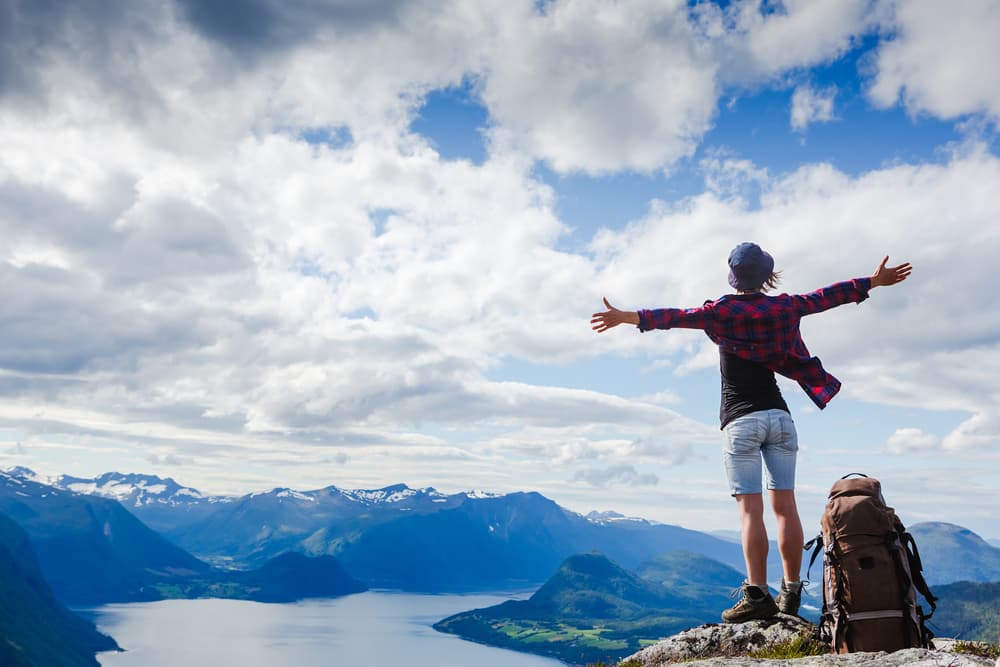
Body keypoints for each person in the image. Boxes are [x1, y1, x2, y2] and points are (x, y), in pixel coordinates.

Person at [590, 242, 912, 622]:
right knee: (785, 507)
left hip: (741, 423)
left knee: (750, 512)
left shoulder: (720, 313)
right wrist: (872, 282)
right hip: (780, 418)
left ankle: (757, 594)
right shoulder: (784, 307)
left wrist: (626, 317)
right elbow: (825, 297)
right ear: (767, 276)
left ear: (734, 277)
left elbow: (674, 316)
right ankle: (791, 592)